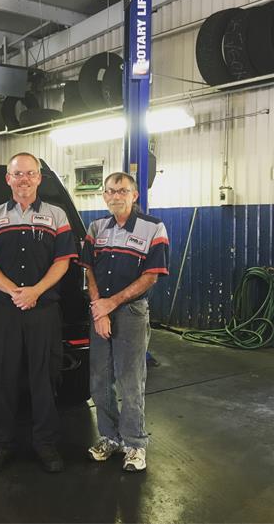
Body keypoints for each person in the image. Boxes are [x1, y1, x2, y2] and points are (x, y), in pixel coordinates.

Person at [0, 152, 78, 474]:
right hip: (4, 310)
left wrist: (35, 291)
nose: (24, 179)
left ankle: (45, 444)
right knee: (3, 378)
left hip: (43, 310)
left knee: (44, 378)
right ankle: (0, 446)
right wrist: (13, 291)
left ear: (39, 178)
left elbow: (63, 261)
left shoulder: (56, 215)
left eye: (30, 173)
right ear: (8, 179)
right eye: (18, 174)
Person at [78, 171, 169, 472]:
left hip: (131, 312)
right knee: (99, 380)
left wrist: (110, 304)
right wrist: (99, 308)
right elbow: (89, 270)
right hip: (100, 311)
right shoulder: (96, 227)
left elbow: (151, 276)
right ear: (104, 195)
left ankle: (134, 443)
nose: (116, 196)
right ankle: (110, 437)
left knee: (130, 381)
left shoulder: (153, 227)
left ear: (134, 195)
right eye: (111, 191)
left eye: (122, 190)